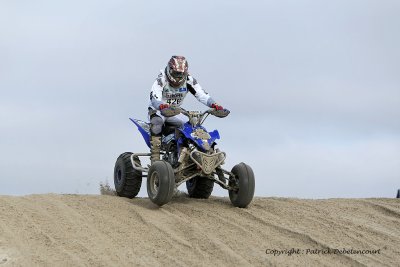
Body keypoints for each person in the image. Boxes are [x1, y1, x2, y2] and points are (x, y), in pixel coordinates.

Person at [148, 55, 225, 163]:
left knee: (193, 127)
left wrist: (214, 104)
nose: (179, 77)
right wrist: (161, 105)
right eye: (176, 73)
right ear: (170, 70)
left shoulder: (189, 80)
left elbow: (201, 94)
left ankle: (191, 155)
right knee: (157, 122)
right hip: (158, 110)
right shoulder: (161, 80)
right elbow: (154, 97)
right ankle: (155, 159)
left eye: (181, 74)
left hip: (175, 111)